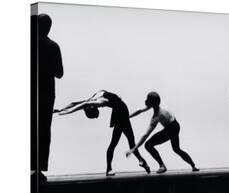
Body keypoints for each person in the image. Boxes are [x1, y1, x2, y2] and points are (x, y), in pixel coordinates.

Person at [58, 90, 151, 176]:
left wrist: (69, 111)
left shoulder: (98, 102)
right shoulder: (93, 98)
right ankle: (140, 161)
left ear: (93, 107)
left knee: (121, 143)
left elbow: (83, 104)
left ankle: (136, 162)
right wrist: (61, 109)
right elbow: (74, 103)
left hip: (121, 112)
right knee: (124, 142)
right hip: (119, 113)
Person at [126, 92, 199, 174]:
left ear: (152, 103)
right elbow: (140, 111)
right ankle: (193, 166)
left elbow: (146, 135)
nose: (145, 100)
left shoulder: (158, 115)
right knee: (176, 149)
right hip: (176, 125)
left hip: (171, 129)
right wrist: (128, 117)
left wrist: (134, 148)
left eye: (147, 100)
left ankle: (162, 166)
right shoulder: (159, 104)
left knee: (148, 145)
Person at [36, 14, 64, 182]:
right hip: (46, 92)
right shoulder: (53, 46)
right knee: (44, 130)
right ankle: (38, 169)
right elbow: (59, 73)